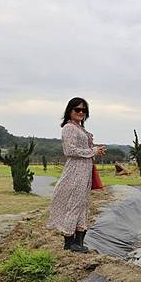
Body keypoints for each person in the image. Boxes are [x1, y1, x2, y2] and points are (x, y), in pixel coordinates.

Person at [47, 97, 106, 253]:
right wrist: (93, 151)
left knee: (83, 204)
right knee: (74, 204)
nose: (81, 112)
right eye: (77, 109)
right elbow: (70, 151)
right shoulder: (69, 128)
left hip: (85, 170)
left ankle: (79, 242)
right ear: (70, 111)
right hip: (75, 171)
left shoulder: (80, 128)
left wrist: (96, 149)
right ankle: (69, 242)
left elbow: (82, 149)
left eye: (84, 110)